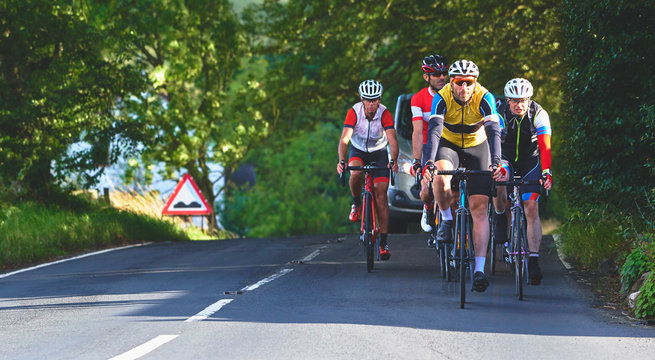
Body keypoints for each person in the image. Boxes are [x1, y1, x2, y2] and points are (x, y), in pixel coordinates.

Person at [422, 60, 504, 292]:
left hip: (477, 146)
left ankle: (479, 269)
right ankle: (446, 219)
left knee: (479, 209)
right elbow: (435, 131)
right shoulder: (442, 97)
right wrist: (428, 162)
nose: (465, 88)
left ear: (475, 82)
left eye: (469, 83)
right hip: (449, 145)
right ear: (451, 81)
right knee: (440, 176)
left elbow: (494, 131)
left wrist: (496, 162)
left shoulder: (485, 97)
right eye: (459, 82)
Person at [492, 78, 553, 285]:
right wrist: (496, 166)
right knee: (500, 179)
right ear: (507, 101)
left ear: (529, 99)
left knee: (531, 207)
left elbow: (545, 146)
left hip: (530, 161)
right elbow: (493, 144)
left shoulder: (539, 113)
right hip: (506, 157)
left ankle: (533, 259)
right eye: (515, 100)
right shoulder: (499, 113)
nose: (519, 105)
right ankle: (500, 216)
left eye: (523, 100)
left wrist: (546, 171)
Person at [337, 80, 399, 260]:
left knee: (381, 194)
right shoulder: (354, 112)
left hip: (379, 153)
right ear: (362, 99)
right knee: (355, 172)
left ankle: (384, 243)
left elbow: (392, 141)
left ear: (379, 100)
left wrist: (393, 160)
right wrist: (342, 161)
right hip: (358, 151)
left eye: (374, 100)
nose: (371, 104)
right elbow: (344, 140)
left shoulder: (384, 113)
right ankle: (356, 203)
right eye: (367, 100)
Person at [409, 54, 449, 237]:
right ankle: (427, 207)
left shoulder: (453, 94)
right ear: (427, 77)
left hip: (450, 144)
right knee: (426, 190)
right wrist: (417, 161)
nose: (442, 77)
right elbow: (417, 132)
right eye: (436, 74)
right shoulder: (418, 99)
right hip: (427, 144)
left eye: (444, 73)